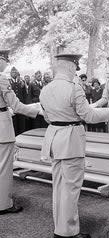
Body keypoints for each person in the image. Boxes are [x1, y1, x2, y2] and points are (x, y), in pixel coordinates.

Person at [39, 52, 109, 238]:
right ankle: (68, 232)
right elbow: (89, 116)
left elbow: (46, 117)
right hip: (71, 141)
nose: (75, 73)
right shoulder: (74, 88)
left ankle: (60, 228)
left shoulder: (45, 89)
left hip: (54, 139)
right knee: (71, 188)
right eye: (75, 69)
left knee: (59, 186)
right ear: (71, 67)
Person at [0, 49, 41, 215]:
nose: (7, 64)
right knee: (3, 169)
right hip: (2, 128)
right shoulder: (2, 79)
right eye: (5, 60)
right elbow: (16, 106)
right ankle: (3, 204)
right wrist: (37, 111)